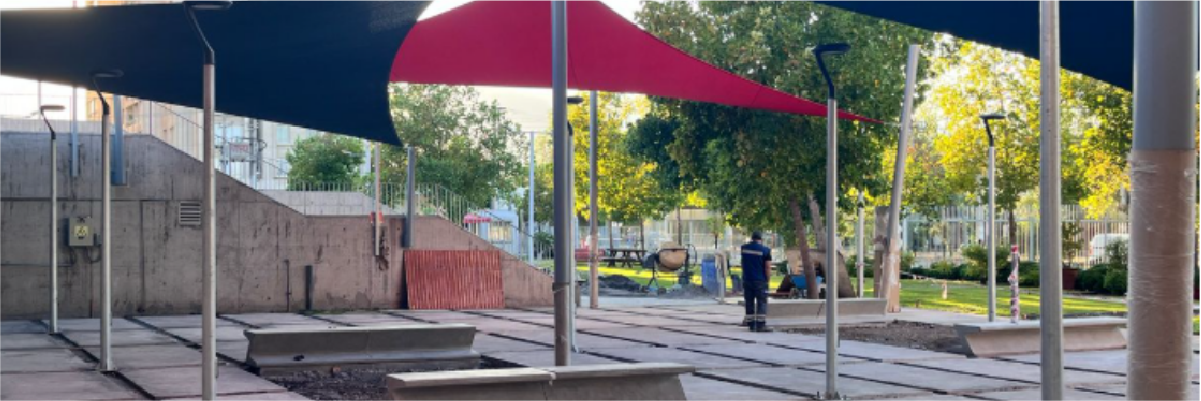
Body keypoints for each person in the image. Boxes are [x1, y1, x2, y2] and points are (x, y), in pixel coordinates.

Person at [740, 232, 773, 332]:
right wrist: (768, 279)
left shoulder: (744, 248)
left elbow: (743, 262)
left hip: (747, 279)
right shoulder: (766, 250)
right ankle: (760, 325)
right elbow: (767, 267)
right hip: (760, 280)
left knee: (749, 301)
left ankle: (750, 323)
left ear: (752, 238)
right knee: (761, 302)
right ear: (761, 239)